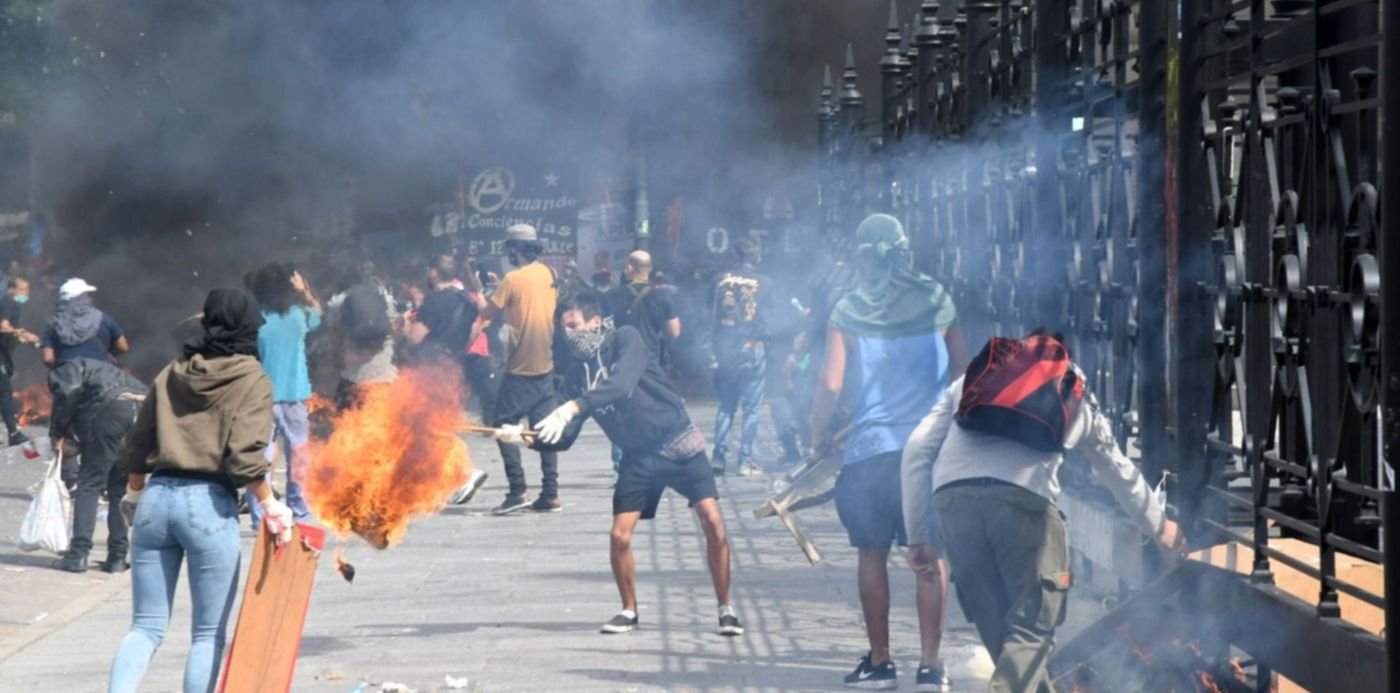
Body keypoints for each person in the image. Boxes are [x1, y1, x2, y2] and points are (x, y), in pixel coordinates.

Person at [902, 329, 1186, 693]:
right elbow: (1114, 469)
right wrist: (1159, 526)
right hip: (1026, 504)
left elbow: (916, 450)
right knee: (1032, 629)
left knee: (1004, 633)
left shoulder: (974, 380)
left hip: (953, 501)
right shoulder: (1072, 385)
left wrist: (917, 537)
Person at [499, 292, 743, 637]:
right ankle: (629, 610)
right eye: (564, 328)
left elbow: (621, 383)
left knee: (713, 523)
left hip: (678, 442)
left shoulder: (626, 339)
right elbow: (564, 438)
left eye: (575, 325)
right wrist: (524, 437)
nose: (569, 333)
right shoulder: (574, 376)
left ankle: (726, 609)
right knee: (619, 536)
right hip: (637, 457)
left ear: (595, 322)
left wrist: (573, 407)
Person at [809, 214, 967, 691]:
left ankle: (880, 662)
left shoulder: (850, 308)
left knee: (871, 555)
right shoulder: (938, 300)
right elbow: (963, 373)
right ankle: (931, 666)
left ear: (861, 255)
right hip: (929, 452)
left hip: (870, 453)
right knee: (929, 556)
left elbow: (831, 383)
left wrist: (817, 433)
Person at [109, 288, 293, 693]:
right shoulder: (252, 378)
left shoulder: (173, 371)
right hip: (209, 504)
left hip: (157, 500)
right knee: (207, 634)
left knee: (145, 627)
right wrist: (271, 503)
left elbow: (137, 445)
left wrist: (135, 495)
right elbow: (245, 459)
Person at [470, 224, 562, 515]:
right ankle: (550, 493)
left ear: (516, 249)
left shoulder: (512, 279)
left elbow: (486, 313)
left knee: (502, 425)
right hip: (545, 365)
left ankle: (517, 490)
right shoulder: (549, 273)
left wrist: (478, 290)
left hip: (520, 368)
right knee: (545, 431)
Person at [46, 357, 149, 573]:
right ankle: (117, 557)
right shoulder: (109, 372)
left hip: (110, 408)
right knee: (119, 489)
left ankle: (78, 554)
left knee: (89, 483)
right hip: (142, 410)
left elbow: (68, 392)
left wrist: (58, 432)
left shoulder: (67, 368)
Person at [407, 254, 489, 504]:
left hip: (430, 370)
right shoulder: (467, 300)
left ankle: (464, 474)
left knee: (431, 427)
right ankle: (441, 481)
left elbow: (415, 338)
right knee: (437, 425)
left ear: (433, 273)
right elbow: (475, 330)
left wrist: (404, 327)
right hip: (454, 368)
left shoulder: (433, 303)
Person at [243, 263, 321, 528]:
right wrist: (305, 290)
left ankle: (262, 517)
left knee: (259, 459)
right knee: (299, 456)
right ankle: (299, 513)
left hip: (260, 397)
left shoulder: (255, 319)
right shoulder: (299, 315)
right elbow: (320, 314)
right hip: (294, 396)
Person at [710, 238, 768, 477]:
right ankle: (745, 461)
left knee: (726, 405)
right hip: (752, 346)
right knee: (751, 408)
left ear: (734, 256)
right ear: (757, 258)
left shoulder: (719, 280)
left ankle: (719, 458)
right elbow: (768, 319)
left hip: (725, 347)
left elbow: (709, 313)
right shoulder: (766, 282)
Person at [40, 277, 128, 367]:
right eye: (87, 295)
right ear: (82, 297)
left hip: (68, 377)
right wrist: (106, 355)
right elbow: (122, 347)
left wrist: (61, 367)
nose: (90, 298)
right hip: (101, 374)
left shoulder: (53, 325)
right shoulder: (103, 318)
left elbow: (48, 358)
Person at [0, 278, 39, 444]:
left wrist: (23, 338)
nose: (27, 293)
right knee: (5, 392)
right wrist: (22, 334)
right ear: (12, 289)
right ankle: (14, 434)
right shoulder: (9, 301)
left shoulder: (6, 302)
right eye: (23, 289)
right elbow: (3, 327)